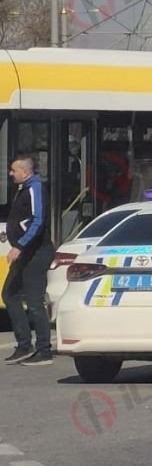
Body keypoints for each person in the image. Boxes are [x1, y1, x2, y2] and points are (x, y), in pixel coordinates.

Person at [5, 155, 53, 365]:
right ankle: (24, 345)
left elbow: (38, 219)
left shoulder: (35, 188)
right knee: (9, 294)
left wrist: (20, 245)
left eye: (14, 170)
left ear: (25, 171)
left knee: (34, 302)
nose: (11, 173)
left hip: (36, 252)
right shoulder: (23, 189)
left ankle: (44, 350)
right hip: (25, 253)